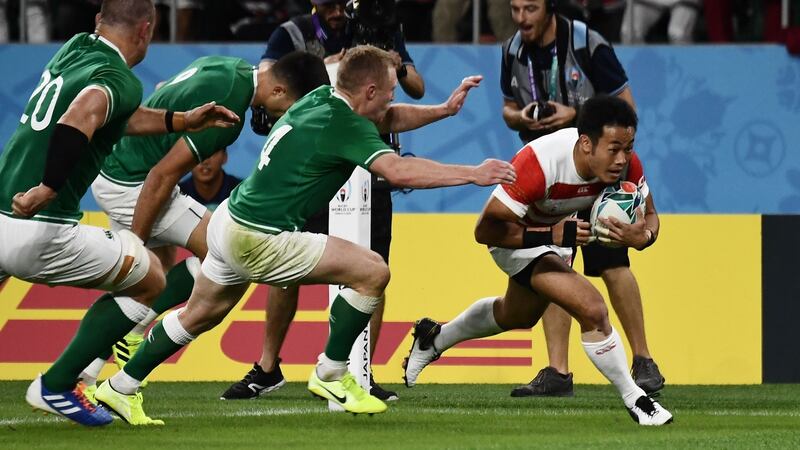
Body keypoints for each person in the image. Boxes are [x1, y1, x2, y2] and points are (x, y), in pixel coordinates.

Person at [95, 45, 516, 419]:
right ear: (368, 90)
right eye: (389, 88)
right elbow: (398, 168)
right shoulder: (345, 126)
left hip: (229, 220)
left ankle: (120, 386)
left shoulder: (321, 97)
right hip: (260, 236)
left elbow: (386, 116)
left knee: (198, 314)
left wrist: (442, 110)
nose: (393, 95)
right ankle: (332, 372)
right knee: (372, 271)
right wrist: (472, 173)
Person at [0, 0, 238, 427]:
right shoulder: (119, 79)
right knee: (151, 278)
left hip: (1, 213)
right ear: (147, 30)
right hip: (40, 228)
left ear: (97, 22)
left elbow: (115, 118)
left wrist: (183, 119)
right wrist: (49, 187)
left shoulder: (74, 48)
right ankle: (57, 384)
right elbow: (86, 113)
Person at [75, 52, 330, 423]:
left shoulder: (228, 66)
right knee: (224, 255)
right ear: (277, 89)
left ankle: (93, 368)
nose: (282, 117)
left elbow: (164, 98)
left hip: (121, 167)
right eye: (289, 107)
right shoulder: (228, 115)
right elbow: (162, 177)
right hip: (135, 183)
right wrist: (136, 245)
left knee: (169, 273)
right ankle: (123, 343)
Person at [403, 96, 672, 426]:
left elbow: (652, 215)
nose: (622, 159)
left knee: (517, 314)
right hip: (516, 236)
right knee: (592, 308)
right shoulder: (540, 163)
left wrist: (642, 237)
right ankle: (637, 400)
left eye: (628, 148)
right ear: (586, 143)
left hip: (556, 233)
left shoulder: (627, 165)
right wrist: (551, 235)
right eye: (613, 149)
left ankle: (435, 337)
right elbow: (485, 230)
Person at [220, 0, 422, 401]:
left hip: (368, 165)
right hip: (312, 169)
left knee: (374, 268)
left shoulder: (377, 24)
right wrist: (333, 67)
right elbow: (267, 91)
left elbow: (415, 87)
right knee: (285, 269)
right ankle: (267, 366)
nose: (337, 12)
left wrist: (394, 66)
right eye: (328, 4)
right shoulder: (292, 35)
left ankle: (359, 370)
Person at [499, 0, 664, 397]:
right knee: (557, 261)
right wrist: (524, 118)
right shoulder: (512, 50)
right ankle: (558, 371)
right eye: (516, 9)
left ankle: (643, 359)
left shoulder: (589, 44)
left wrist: (573, 118)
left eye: (531, 9)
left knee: (611, 258)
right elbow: (507, 109)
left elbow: (626, 110)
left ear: (550, 10)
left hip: (595, 167)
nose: (522, 18)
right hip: (552, 171)